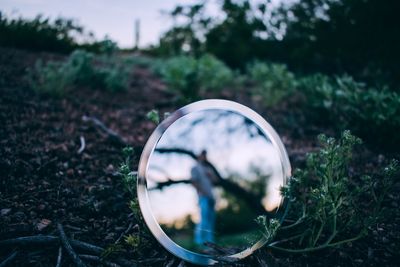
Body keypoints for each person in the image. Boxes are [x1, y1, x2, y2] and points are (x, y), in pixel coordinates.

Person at [190, 150, 217, 246]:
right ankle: (200, 241)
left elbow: (215, 181)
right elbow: (194, 182)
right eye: (203, 155)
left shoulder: (208, 169)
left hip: (211, 196)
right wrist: (202, 192)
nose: (204, 157)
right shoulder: (195, 168)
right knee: (204, 218)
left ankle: (210, 241)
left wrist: (211, 175)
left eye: (205, 155)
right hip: (202, 197)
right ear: (199, 156)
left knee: (211, 219)